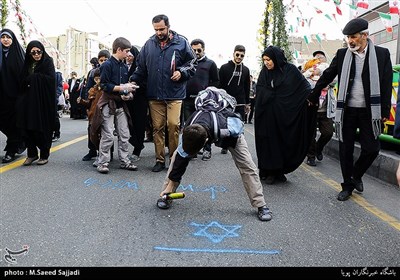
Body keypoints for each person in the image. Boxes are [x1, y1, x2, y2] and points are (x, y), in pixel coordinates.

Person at [156, 86, 272, 222]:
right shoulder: (190, 127)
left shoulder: (230, 128)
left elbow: (244, 160)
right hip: (204, 125)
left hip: (227, 129)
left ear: (206, 142)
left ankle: (260, 204)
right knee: (178, 156)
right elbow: (180, 162)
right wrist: (169, 188)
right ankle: (167, 195)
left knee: (247, 165)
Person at [308, 18, 393, 201]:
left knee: (372, 149)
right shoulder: (342, 54)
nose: (350, 41)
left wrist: (385, 111)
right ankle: (347, 185)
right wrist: (313, 95)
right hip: (346, 111)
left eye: (353, 37)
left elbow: (386, 84)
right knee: (345, 149)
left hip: (370, 112)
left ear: (365, 35)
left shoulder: (382, 54)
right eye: (348, 38)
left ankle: (356, 175)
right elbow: (327, 75)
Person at [130, 14, 197, 172]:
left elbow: (192, 64)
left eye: (161, 29)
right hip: (154, 95)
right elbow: (141, 68)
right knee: (157, 128)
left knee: (173, 125)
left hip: (175, 93)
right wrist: (133, 80)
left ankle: (174, 159)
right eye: (156, 29)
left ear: (168, 26)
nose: (159, 32)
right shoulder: (148, 44)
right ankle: (159, 160)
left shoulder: (182, 43)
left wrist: (181, 72)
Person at [255, 45, 316, 185]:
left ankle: (279, 171)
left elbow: (304, 87)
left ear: (276, 58)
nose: (266, 62)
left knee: (283, 142)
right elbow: (260, 90)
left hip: (285, 115)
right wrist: (270, 94)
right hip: (268, 116)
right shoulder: (264, 73)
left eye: (269, 59)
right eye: (264, 60)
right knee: (269, 143)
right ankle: (269, 171)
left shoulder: (290, 70)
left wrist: (311, 98)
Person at [91, 37, 138, 174]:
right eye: (127, 51)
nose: (128, 54)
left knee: (124, 134)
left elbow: (118, 86)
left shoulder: (123, 66)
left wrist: (127, 91)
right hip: (108, 103)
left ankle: (125, 160)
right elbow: (104, 85)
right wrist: (123, 88)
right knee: (108, 135)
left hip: (120, 103)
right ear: (118, 50)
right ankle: (103, 162)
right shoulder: (106, 65)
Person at [17, 40, 56, 166]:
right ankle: (32, 154)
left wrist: (34, 78)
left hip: (42, 103)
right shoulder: (27, 64)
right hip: (28, 103)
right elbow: (22, 81)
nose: (36, 55)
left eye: (39, 52)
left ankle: (44, 154)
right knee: (27, 126)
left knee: (42, 128)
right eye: (33, 52)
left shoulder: (48, 62)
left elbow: (51, 81)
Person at [183, 38, 219, 161]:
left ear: (204, 50)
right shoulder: (186, 64)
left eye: (199, 50)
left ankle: (207, 149)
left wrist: (208, 92)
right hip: (187, 100)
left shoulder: (210, 64)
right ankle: (192, 151)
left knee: (205, 127)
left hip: (204, 102)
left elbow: (216, 81)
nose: (197, 52)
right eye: (194, 50)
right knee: (189, 127)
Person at [302, 51, 334, 167]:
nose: (319, 59)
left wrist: (327, 82)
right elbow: (303, 81)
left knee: (328, 132)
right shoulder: (308, 72)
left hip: (325, 108)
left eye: (321, 57)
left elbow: (336, 79)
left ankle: (318, 149)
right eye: (317, 58)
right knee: (311, 134)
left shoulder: (330, 71)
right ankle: (311, 156)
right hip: (312, 107)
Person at [218, 44, 251, 154]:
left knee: (239, 123)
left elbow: (247, 87)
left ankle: (237, 145)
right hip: (226, 102)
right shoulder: (224, 68)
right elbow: (220, 85)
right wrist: (219, 99)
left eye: (242, 55)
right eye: (237, 54)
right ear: (233, 54)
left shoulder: (246, 70)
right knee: (226, 124)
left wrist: (247, 103)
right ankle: (225, 145)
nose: (239, 57)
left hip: (240, 102)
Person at [0, 28, 26, 163]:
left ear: (12, 39)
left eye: (8, 37)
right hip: (1, 97)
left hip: (16, 97)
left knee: (14, 124)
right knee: (3, 123)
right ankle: (16, 143)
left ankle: (11, 149)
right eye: (2, 37)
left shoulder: (18, 54)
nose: (5, 39)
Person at [81, 49, 111, 161]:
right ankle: (92, 150)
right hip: (94, 105)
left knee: (107, 130)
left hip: (107, 104)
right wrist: (88, 100)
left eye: (105, 59)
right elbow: (87, 88)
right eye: (101, 60)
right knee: (92, 129)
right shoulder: (93, 72)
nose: (103, 62)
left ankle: (108, 153)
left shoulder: (111, 70)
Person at [126, 45, 148, 163]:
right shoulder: (123, 67)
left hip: (139, 100)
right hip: (126, 101)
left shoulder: (141, 67)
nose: (128, 57)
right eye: (127, 55)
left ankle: (137, 149)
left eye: (131, 55)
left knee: (139, 124)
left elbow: (145, 82)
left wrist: (134, 86)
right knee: (128, 125)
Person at [52, 69, 64, 142]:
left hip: (53, 98)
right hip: (43, 97)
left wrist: (55, 96)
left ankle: (56, 133)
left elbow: (59, 86)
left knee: (54, 116)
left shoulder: (57, 73)